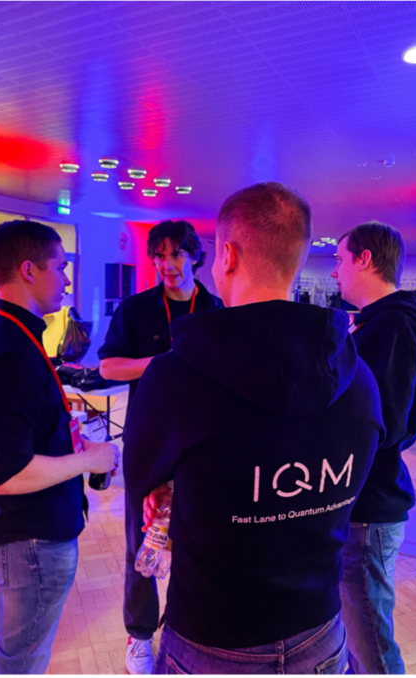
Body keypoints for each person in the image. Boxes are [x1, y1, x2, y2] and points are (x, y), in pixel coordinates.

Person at [126, 182, 385, 676]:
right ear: (300, 257)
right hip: (320, 633)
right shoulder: (359, 378)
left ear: (225, 255)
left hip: (211, 636)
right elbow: (356, 479)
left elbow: (143, 485)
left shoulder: (174, 377)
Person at [0, 221, 121, 676]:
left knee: (24, 655)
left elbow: (23, 437)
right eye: (62, 267)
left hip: (35, 534)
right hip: (31, 540)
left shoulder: (14, 335)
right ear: (29, 270)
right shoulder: (10, 350)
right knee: (21, 662)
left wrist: (71, 440)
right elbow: (8, 474)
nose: (68, 279)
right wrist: (88, 460)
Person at [97, 219, 223, 676]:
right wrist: (163, 363)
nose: (166, 264)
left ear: (194, 258)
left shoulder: (214, 309)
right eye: (159, 255)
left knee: (196, 535)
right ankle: (138, 635)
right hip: (148, 439)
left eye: (176, 255)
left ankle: (188, 625)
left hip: (202, 440)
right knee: (142, 539)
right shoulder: (134, 310)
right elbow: (108, 367)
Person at [331, 222, 416, 676]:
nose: (337, 272)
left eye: (341, 260)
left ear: (364, 259)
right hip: (364, 498)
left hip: (371, 503)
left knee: (372, 642)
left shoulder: (394, 326)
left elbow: (387, 425)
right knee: (358, 634)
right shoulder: (386, 323)